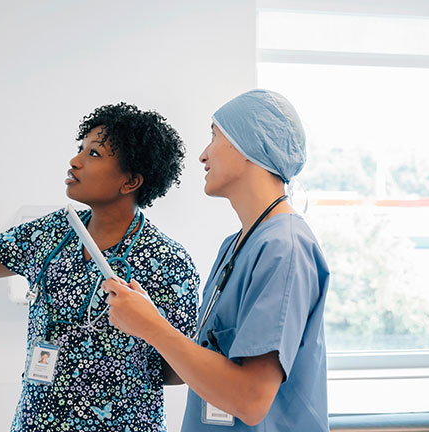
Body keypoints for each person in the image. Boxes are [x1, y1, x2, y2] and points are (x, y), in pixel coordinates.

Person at [0, 103, 199, 432]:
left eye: (94, 154)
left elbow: (178, 373)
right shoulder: (56, 231)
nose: (75, 160)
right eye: (80, 149)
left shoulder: (167, 260)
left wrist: (146, 328)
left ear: (131, 181)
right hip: (36, 423)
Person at [103, 90, 330, 431]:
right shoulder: (236, 245)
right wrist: (146, 322)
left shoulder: (285, 247)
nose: (203, 155)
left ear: (249, 146)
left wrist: (153, 326)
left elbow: (251, 401)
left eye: (214, 136)